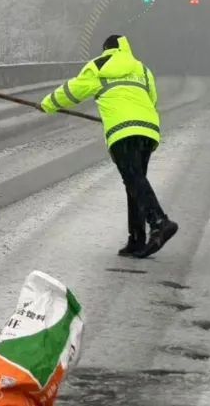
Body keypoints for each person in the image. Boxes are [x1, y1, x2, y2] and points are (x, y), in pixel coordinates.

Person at [40, 34, 177, 258]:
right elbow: (151, 98)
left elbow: (73, 90)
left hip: (122, 131)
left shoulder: (98, 66)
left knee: (134, 180)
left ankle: (160, 222)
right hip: (147, 129)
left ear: (105, 49)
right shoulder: (141, 69)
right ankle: (136, 239)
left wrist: (48, 104)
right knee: (135, 181)